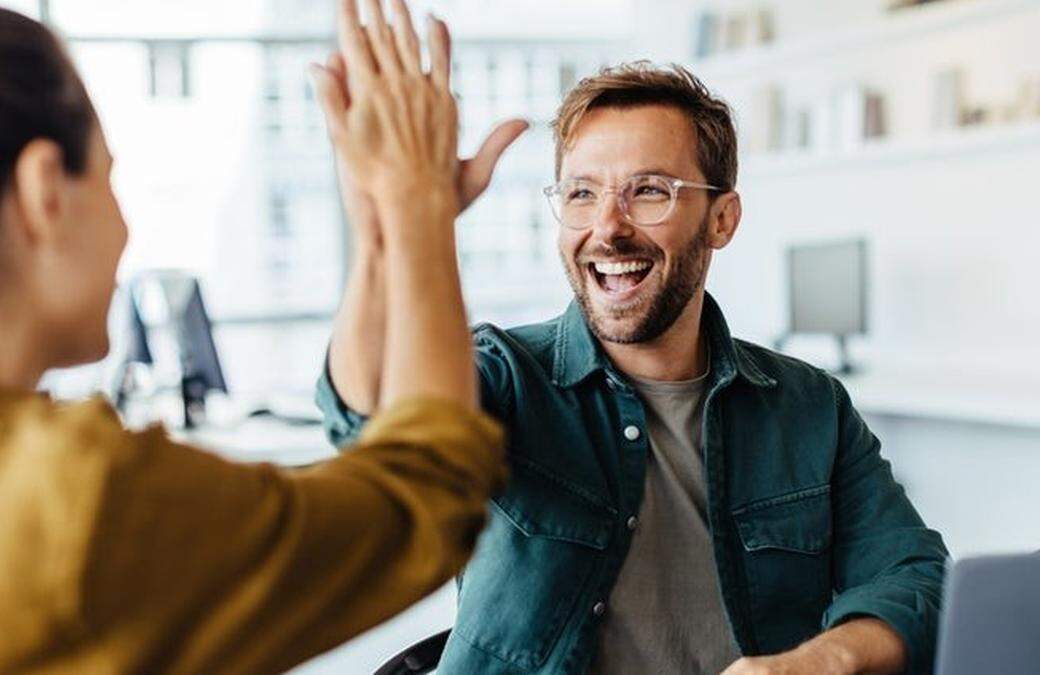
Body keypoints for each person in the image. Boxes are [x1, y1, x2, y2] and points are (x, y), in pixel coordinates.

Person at [0, 0, 507, 672]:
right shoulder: (75, 499)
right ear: (45, 191)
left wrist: (383, 232)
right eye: (108, 175)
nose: (126, 227)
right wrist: (417, 203)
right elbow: (422, 499)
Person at [318, 59, 950, 674]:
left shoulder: (809, 405)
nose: (608, 228)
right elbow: (371, 418)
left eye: (649, 191)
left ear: (722, 218)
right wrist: (388, 230)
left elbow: (914, 576)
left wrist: (820, 661)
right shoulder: (507, 376)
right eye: (582, 193)